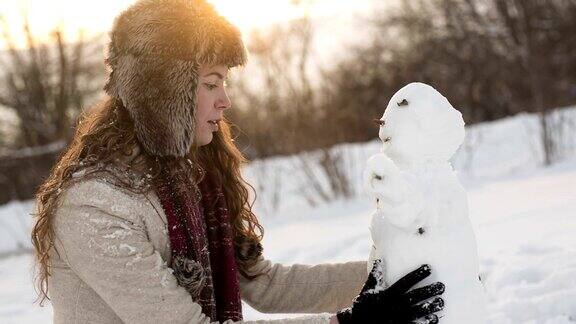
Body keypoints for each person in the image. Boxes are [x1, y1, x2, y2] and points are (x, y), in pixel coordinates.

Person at [31, 0, 445, 323]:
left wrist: (392, 274)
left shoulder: (192, 183)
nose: (225, 100)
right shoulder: (93, 206)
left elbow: (262, 283)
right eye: (211, 84)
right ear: (162, 96)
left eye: (224, 82)